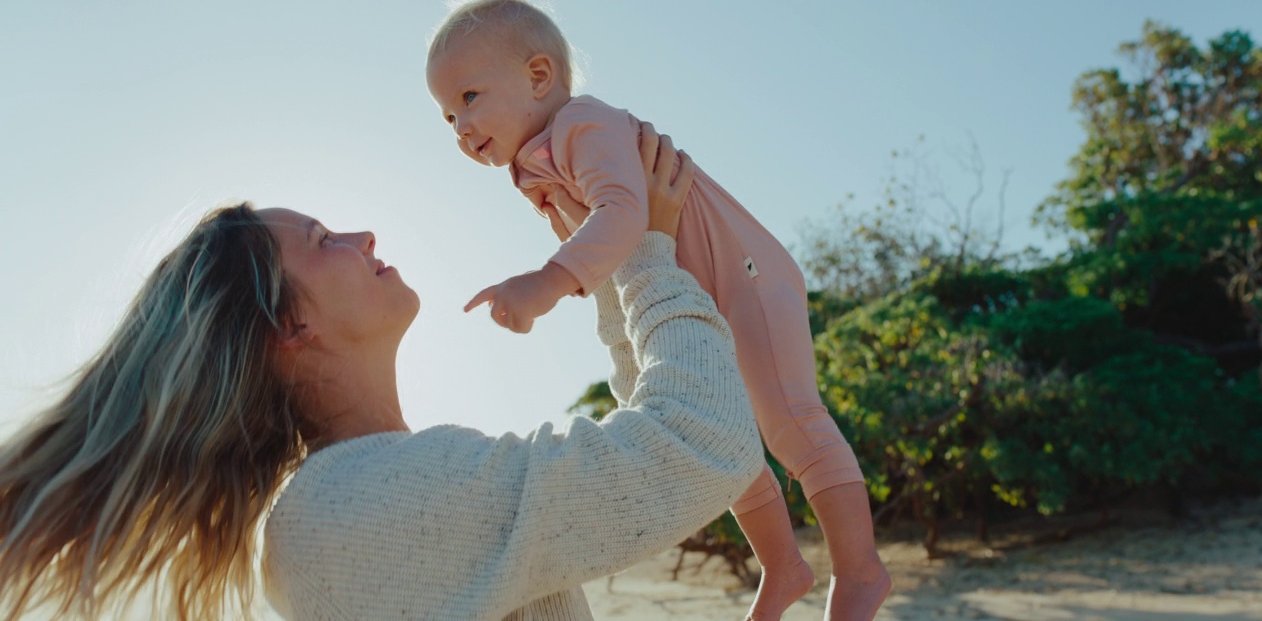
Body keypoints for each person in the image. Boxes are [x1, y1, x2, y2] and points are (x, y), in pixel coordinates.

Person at [0, 129, 763, 620]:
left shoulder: (350, 497)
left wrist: (604, 264)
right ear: (290, 327)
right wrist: (642, 255)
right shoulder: (372, 500)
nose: (363, 234)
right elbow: (700, 446)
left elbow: (646, 451)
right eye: (324, 240)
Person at [425, 0, 891, 621]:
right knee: (717, 430)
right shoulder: (534, 167)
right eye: (448, 116)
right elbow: (613, 262)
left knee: (789, 419)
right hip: (689, 296)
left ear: (539, 76)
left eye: (469, 98)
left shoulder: (582, 125)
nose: (461, 127)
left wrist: (542, 284)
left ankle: (861, 571)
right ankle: (784, 565)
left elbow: (624, 213)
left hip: (744, 276)